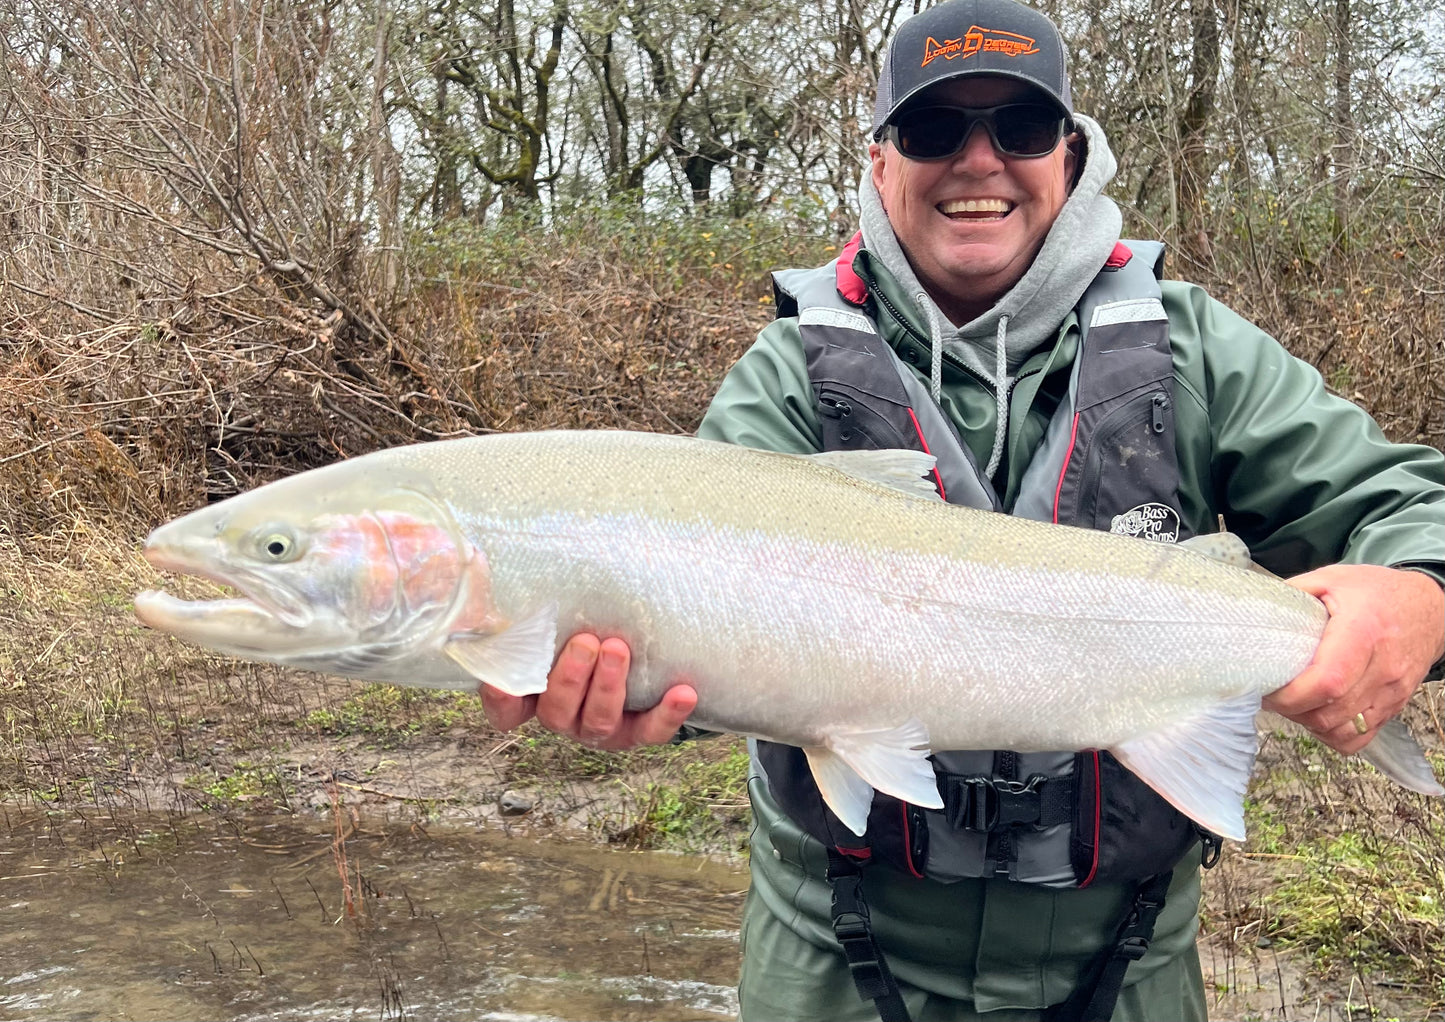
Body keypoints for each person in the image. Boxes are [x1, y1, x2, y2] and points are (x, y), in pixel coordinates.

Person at [480, 0, 1445, 1018]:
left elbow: (1406, 505)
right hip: (836, 962)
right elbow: (697, 620)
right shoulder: (787, 380)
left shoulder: (1193, 350)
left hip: (1125, 963)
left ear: (1070, 155)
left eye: (1018, 130)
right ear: (881, 162)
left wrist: (1418, 594)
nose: (977, 161)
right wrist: (624, 692)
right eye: (935, 130)